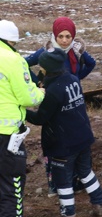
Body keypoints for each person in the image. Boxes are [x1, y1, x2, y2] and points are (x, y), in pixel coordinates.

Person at [25, 48, 102, 217]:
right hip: (83, 137)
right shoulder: (72, 79)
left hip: (63, 144)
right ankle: (99, 204)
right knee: (86, 172)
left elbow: (41, 118)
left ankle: (68, 212)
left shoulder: (54, 90)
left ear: (46, 69)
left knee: (63, 182)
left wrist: (22, 111)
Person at [24, 16, 96, 196]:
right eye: (61, 36)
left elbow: (91, 63)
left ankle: (75, 180)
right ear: (55, 35)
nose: (64, 40)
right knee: (55, 138)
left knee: (76, 137)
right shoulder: (46, 52)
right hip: (54, 99)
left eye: (68, 36)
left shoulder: (77, 50)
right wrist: (38, 83)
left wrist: (78, 78)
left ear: (73, 36)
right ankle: (56, 184)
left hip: (72, 98)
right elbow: (24, 64)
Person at [0, 20, 45, 217]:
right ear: (13, 41)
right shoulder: (13, 59)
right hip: (8, 136)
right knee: (12, 188)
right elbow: (28, 97)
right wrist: (41, 92)